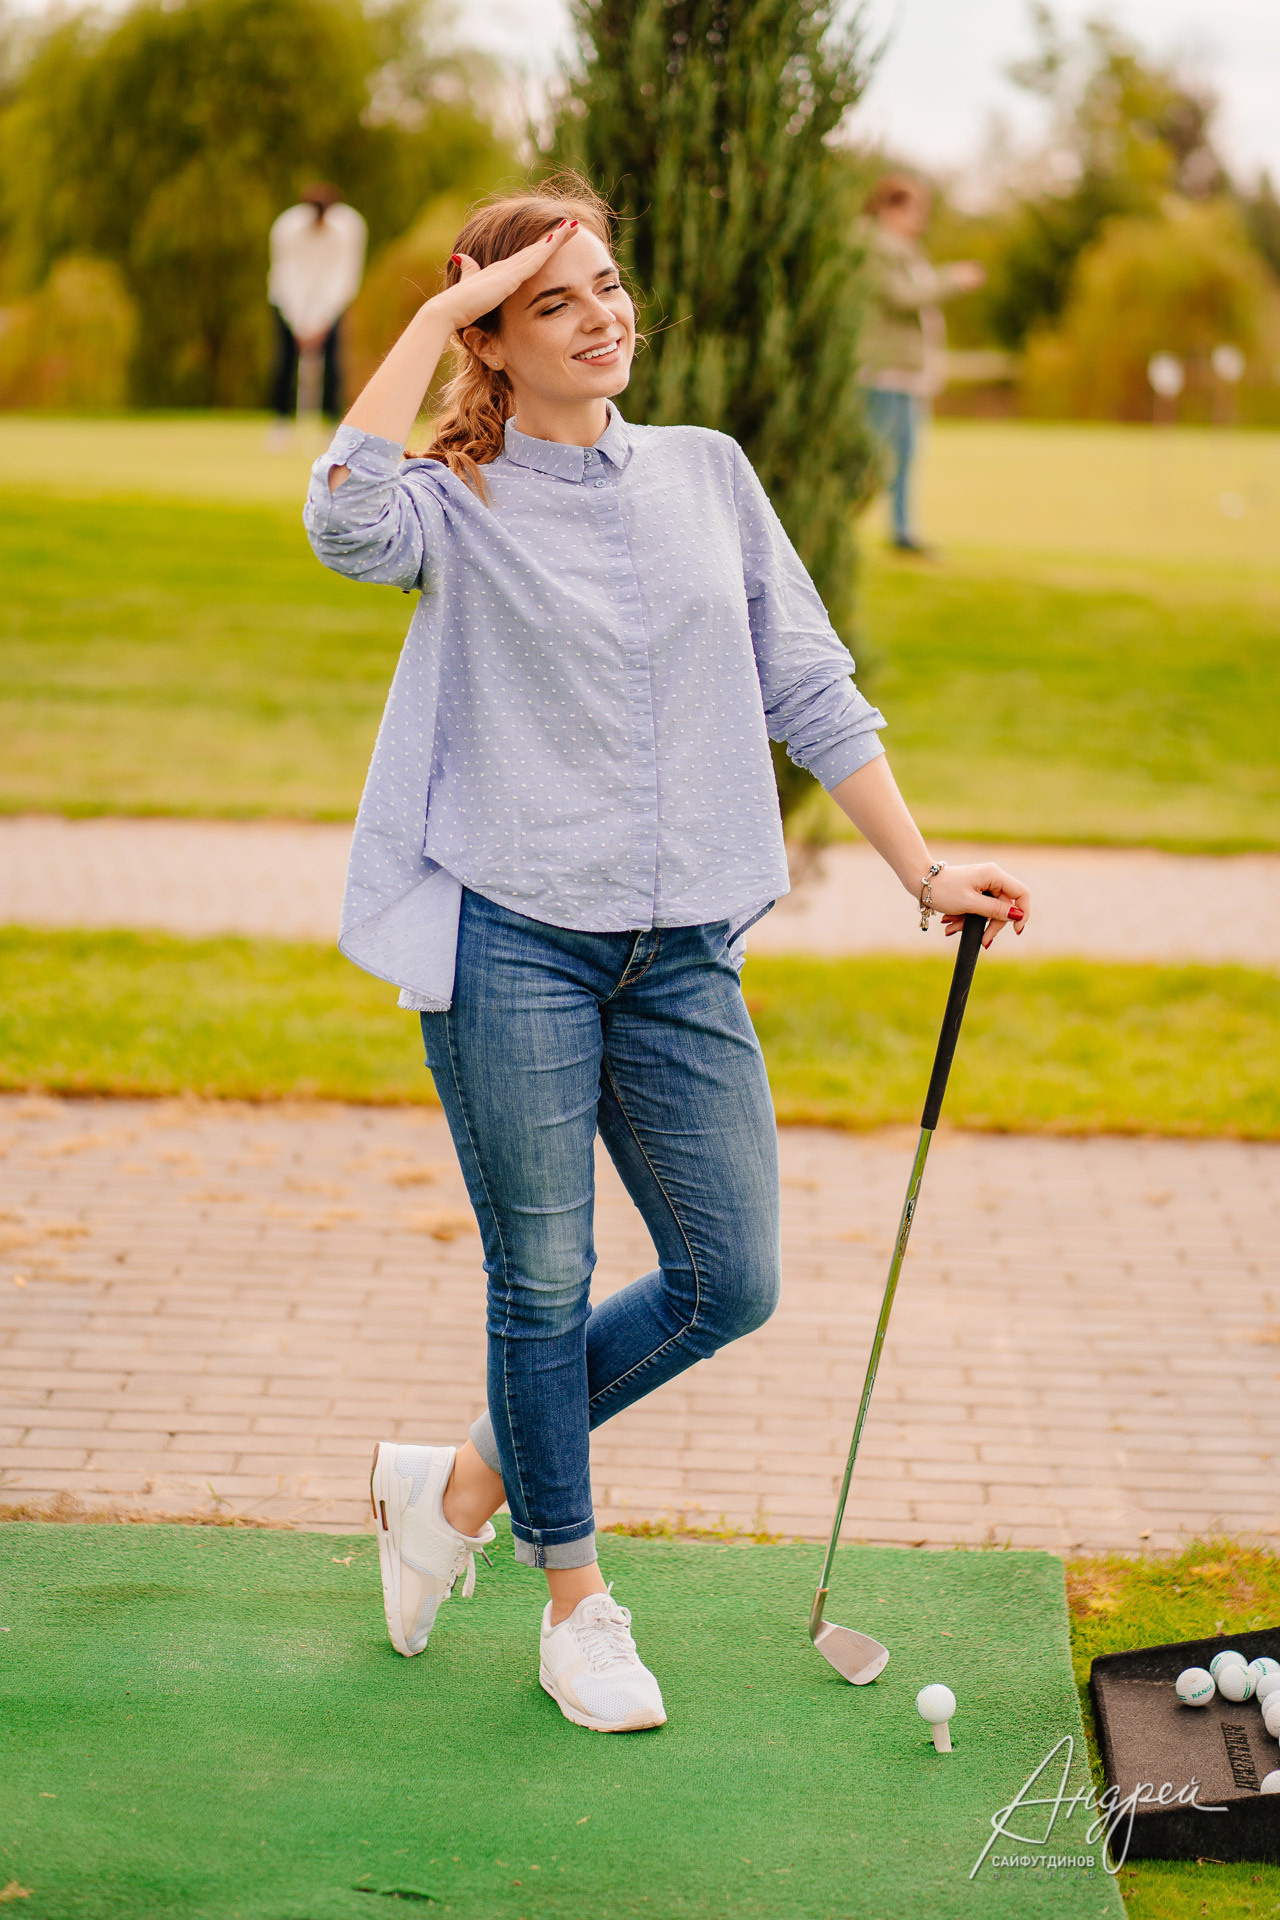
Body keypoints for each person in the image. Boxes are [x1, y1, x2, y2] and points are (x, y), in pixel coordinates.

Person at [303, 176, 1030, 1736]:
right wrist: (430, 312)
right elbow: (338, 519)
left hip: (686, 954)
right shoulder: (451, 498)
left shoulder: (708, 474)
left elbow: (811, 684)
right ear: (493, 341)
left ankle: (461, 1486)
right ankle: (577, 1606)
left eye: (611, 286)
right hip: (515, 950)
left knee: (731, 1278)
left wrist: (923, 870)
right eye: (557, 301)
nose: (605, 316)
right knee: (542, 1277)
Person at [859, 173, 985, 554]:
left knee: (907, 456)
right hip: (883, 372)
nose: (921, 219)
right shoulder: (873, 248)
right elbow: (903, 297)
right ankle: (830, 525)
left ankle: (902, 533)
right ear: (887, 207)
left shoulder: (909, 251)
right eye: (913, 209)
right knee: (870, 458)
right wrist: (953, 278)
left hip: (909, 374)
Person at [268, 183, 367, 428]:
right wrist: (298, 323)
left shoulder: (350, 227)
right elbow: (287, 276)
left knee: (333, 362)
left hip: (331, 305)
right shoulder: (286, 227)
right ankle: (280, 421)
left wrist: (322, 320)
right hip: (288, 302)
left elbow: (344, 276)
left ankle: (333, 421)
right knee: (285, 360)